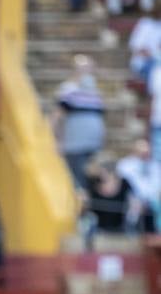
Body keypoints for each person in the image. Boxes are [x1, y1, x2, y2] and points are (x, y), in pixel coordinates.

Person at [51, 54, 106, 189]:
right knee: (78, 183)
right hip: (75, 146)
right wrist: (57, 141)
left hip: (93, 146)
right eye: (83, 68)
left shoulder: (95, 92)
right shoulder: (69, 90)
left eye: (89, 68)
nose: (86, 71)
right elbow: (57, 117)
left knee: (92, 181)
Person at [116, 138, 161, 231]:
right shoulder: (125, 165)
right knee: (134, 204)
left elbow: (157, 185)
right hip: (132, 200)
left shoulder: (155, 165)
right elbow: (123, 186)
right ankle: (130, 230)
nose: (144, 154)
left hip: (153, 201)